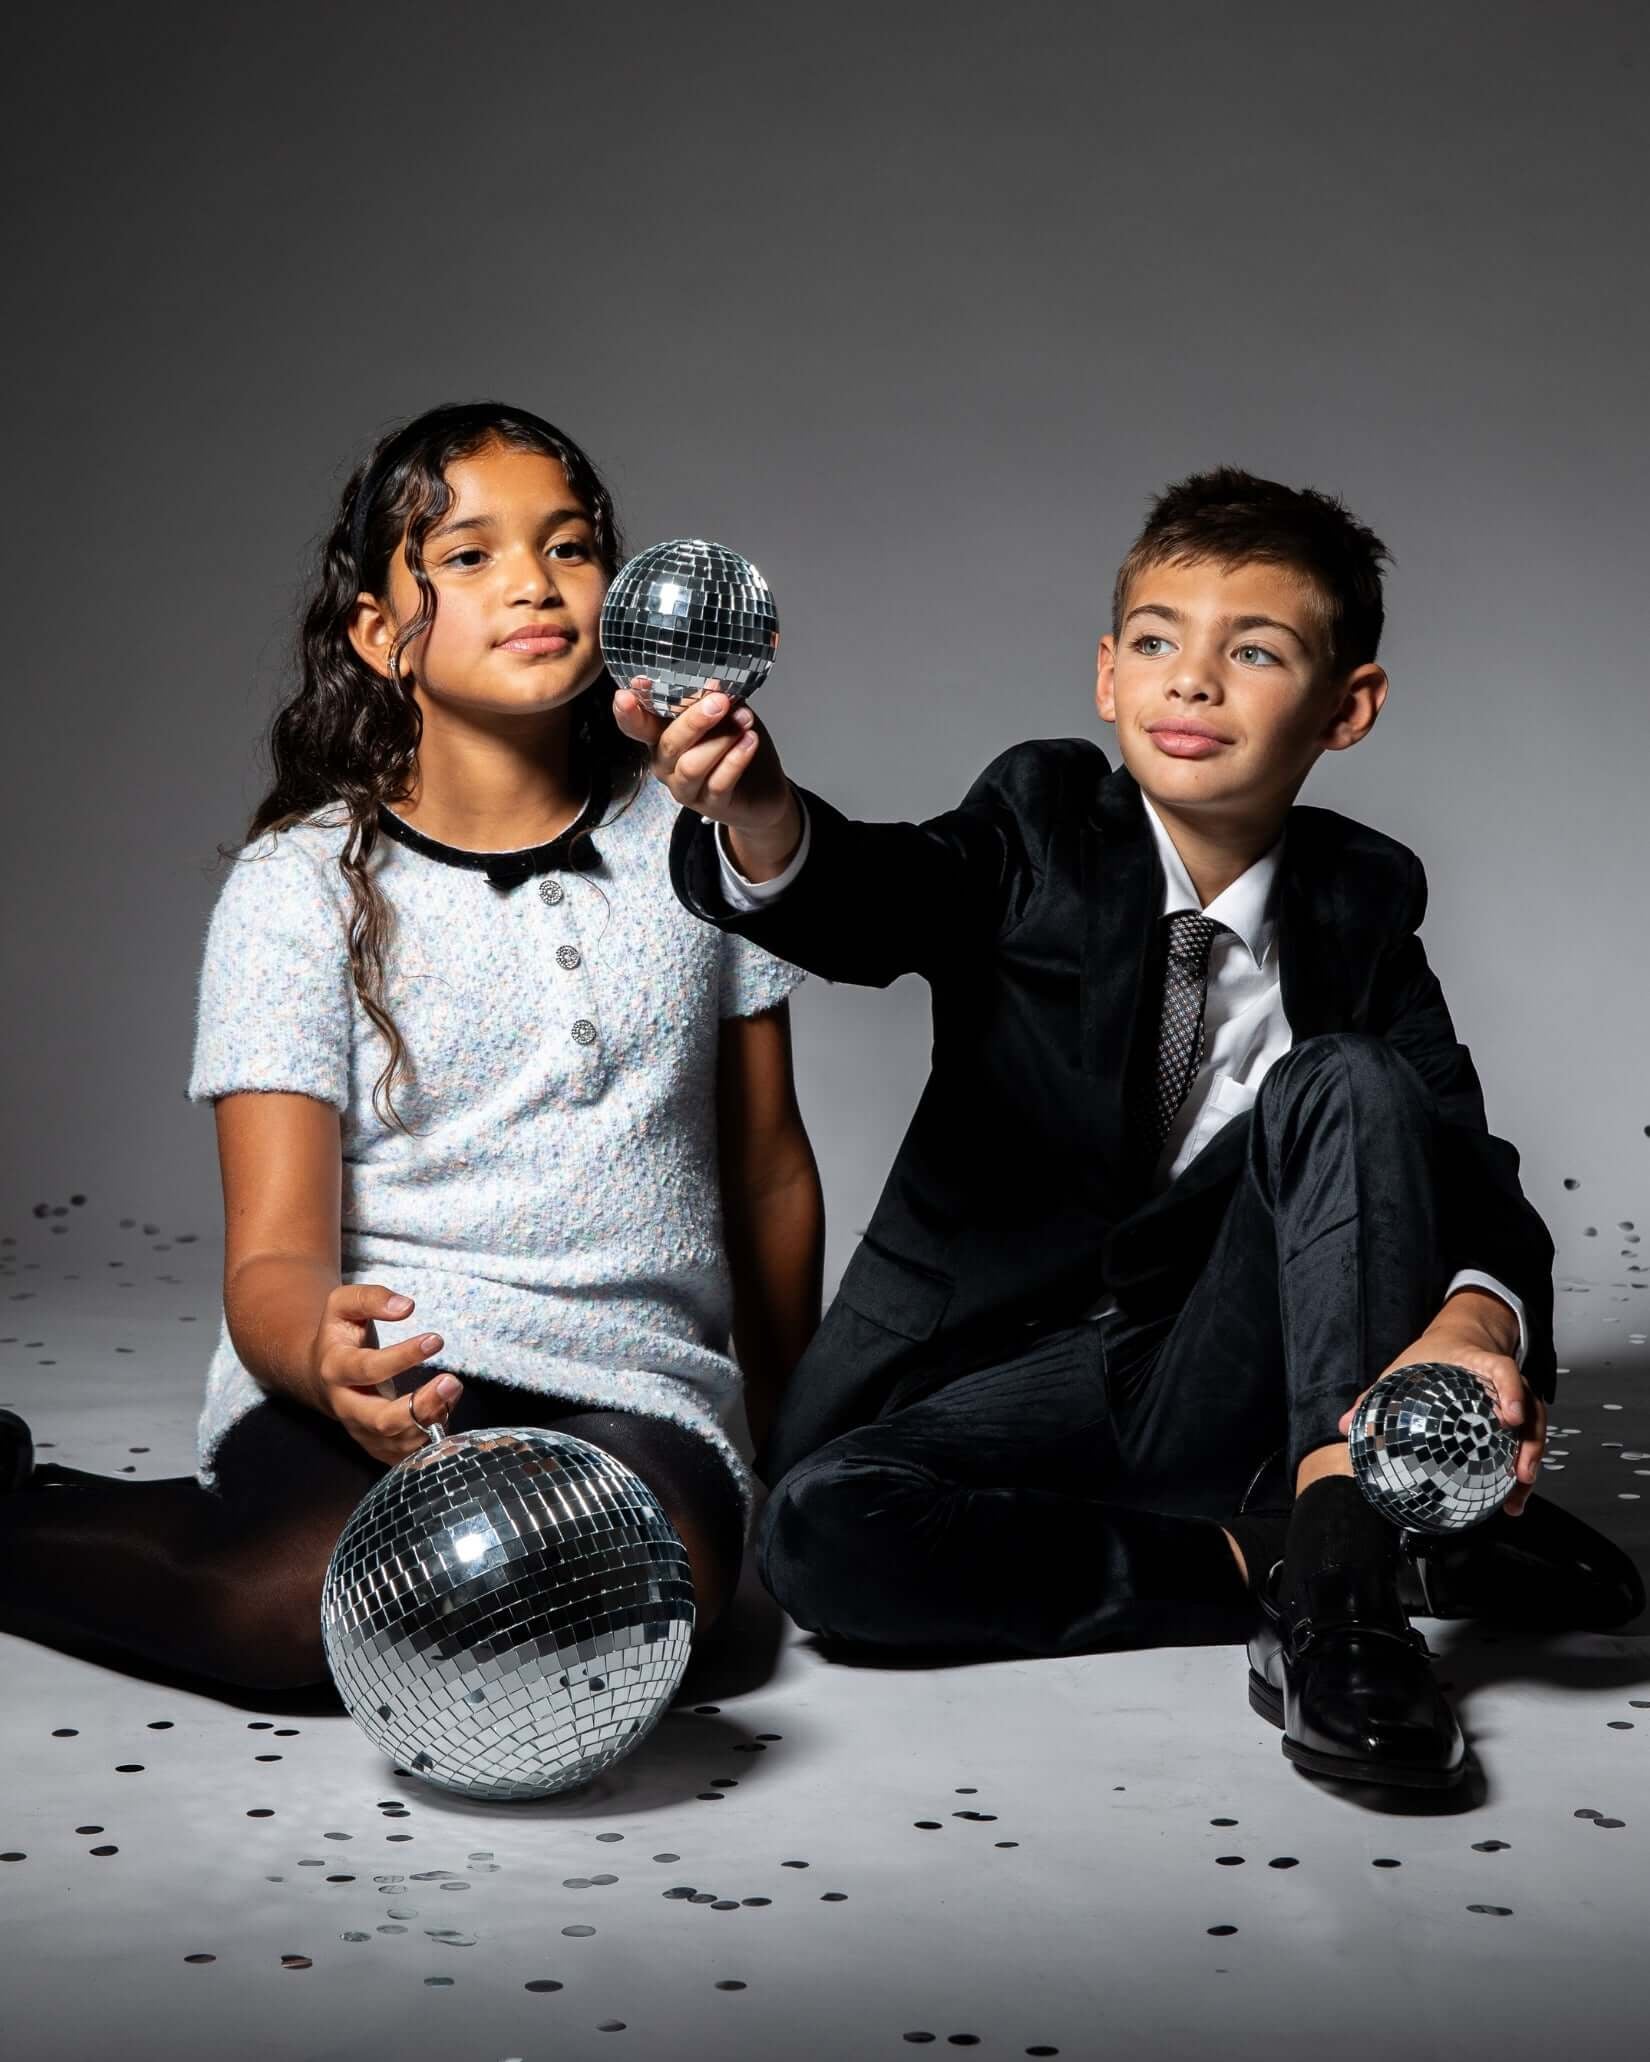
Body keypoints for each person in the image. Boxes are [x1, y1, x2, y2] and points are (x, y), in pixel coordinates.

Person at [615, 466, 1643, 1790]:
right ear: (1107, 677)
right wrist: (762, 817)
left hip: (1224, 1363)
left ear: (1347, 707)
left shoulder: (1361, 898)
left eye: (1253, 652)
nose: (1193, 681)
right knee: (822, 1535)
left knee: (1349, 1082)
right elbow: (880, 893)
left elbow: (1467, 1167)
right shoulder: (1038, 826)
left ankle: (1343, 1610)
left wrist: (1476, 1322)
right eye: (1157, 642)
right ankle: (1303, 1550)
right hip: (1002, 1380)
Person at [0, 401, 823, 1692]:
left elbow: (767, 1170)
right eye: (469, 555)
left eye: (567, 546)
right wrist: (321, 1358)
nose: (533, 583)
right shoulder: (297, 887)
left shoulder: (699, 838)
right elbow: (273, 1256)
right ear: (381, 633)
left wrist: (790, 1440)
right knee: (306, 1612)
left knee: (624, 1601)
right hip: (392, 1368)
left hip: (633, 1381)